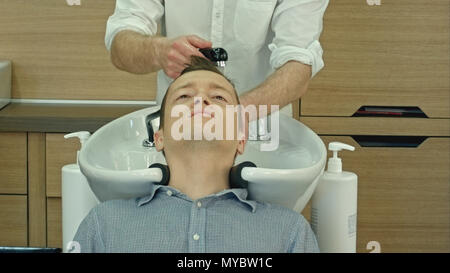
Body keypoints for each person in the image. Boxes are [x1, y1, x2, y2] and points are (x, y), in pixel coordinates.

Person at [73, 56, 319, 253]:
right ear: (160, 137)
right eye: (184, 96)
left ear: (240, 140)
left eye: (218, 97)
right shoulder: (105, 225)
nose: (201, 101)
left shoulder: (289, 232)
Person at [105, 0, 329, 118]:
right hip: (178, 129)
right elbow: (120, 44)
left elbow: (298, 63)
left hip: (261, 129)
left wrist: (236, 114)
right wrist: (158, 51)